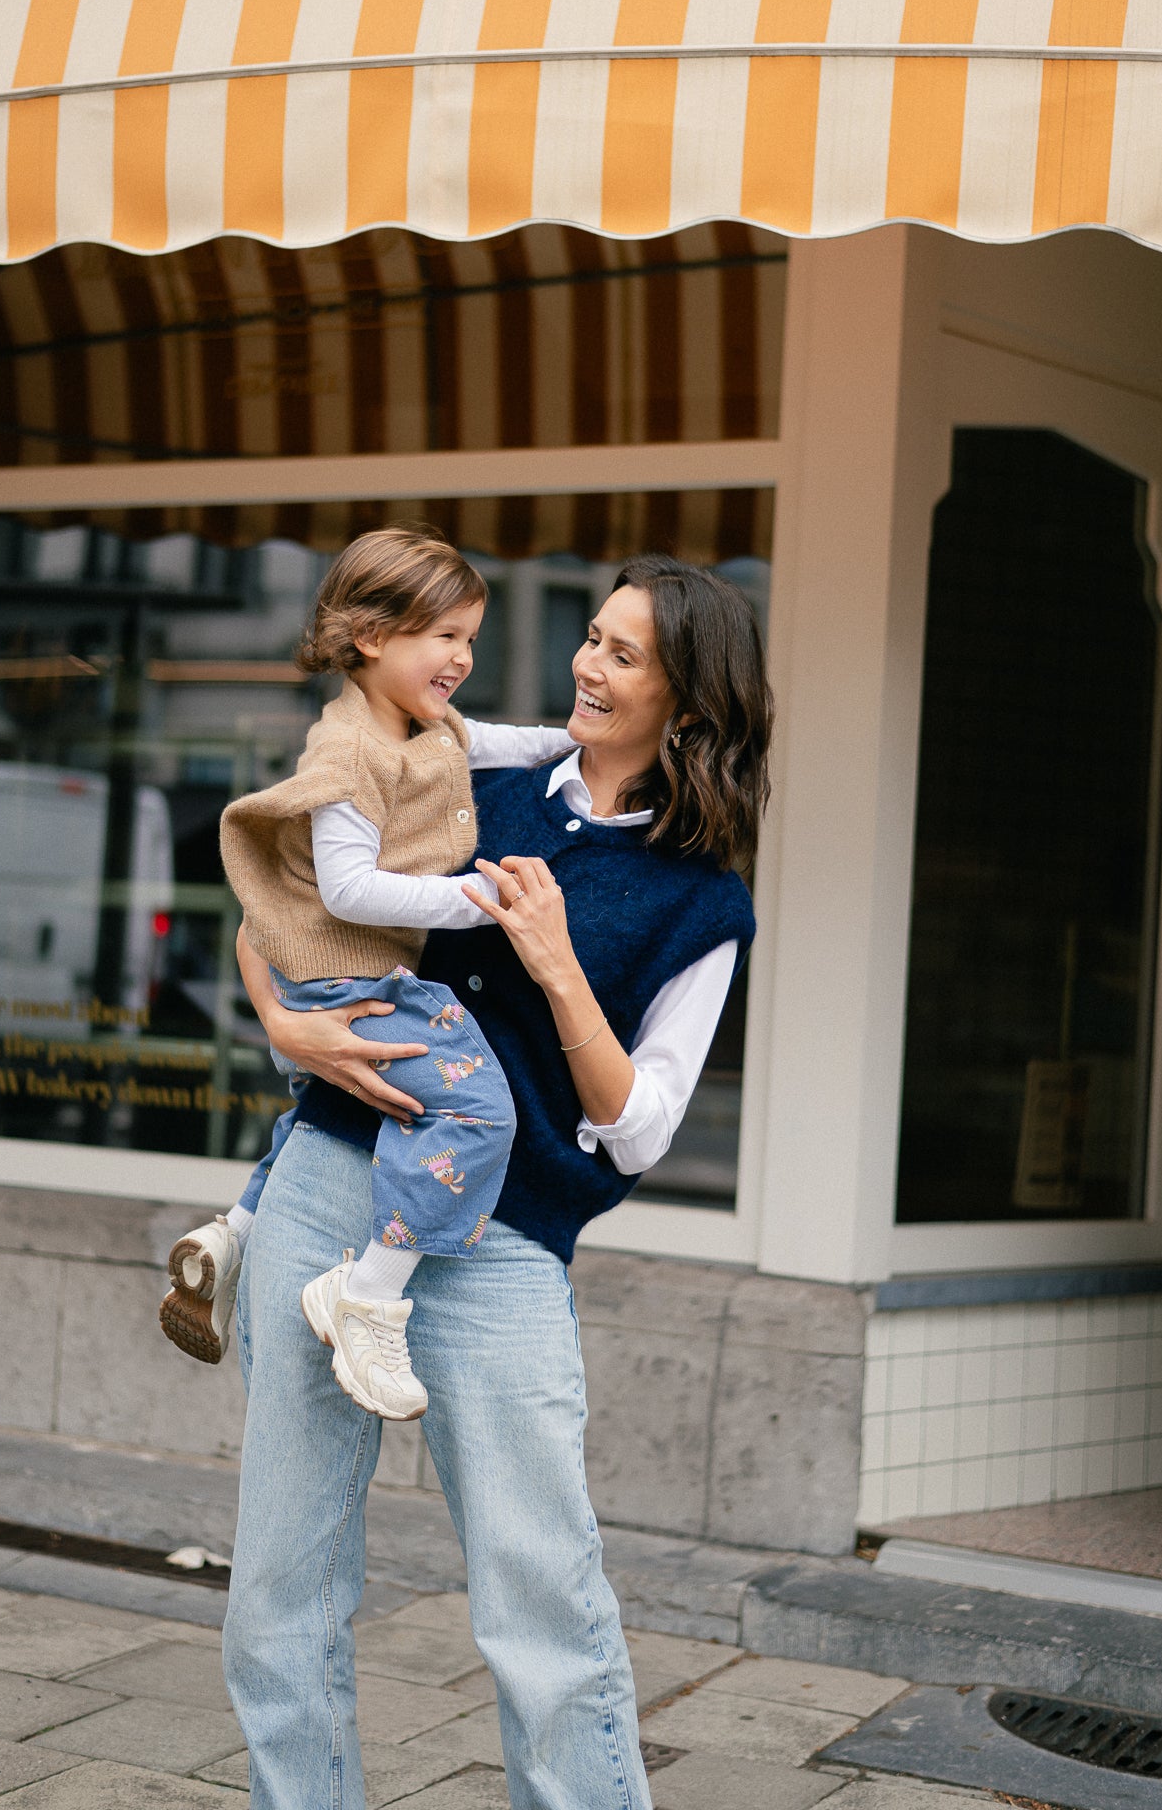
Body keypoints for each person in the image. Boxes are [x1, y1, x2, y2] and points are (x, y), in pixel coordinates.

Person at [224, 553, 773, 1810]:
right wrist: (289, 1029)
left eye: (622, 653)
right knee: (279, 1586)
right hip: (327, 1185)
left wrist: (556, 960)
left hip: (507, 1239)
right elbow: (281, 909)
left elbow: (635, 1132)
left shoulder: (703, 902)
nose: (585, 663)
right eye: (590, 636)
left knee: (542, 1596)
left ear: (687, 701)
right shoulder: (478, 767)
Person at [157, 526, 571, 1419]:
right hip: (346, 978)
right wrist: (474, 901)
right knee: (472, 1108)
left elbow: (485, 742)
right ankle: (370, 1296)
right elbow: (347, 889)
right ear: (372, 636)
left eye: (469, 636)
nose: (462, 656)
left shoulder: (420, 723)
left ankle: (234, 1237)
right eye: (444, 636)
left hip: (339, 980)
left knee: (330, 1102)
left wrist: (565, 744)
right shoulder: (346, 756)